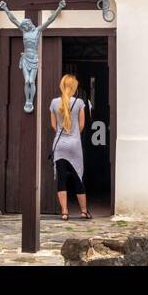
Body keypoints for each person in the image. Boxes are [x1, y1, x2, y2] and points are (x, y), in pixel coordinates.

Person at [49, 73, 91, 220]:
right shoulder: (79, 103)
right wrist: (73, 135)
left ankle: (65, 212)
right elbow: (81, 125)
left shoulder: (54, 103)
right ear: (74, 87)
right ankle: (84, 211)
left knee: (61, 179)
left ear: (62, 85)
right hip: (74, 145)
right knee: (78, 177)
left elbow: (54, 126)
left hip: (59, 145)